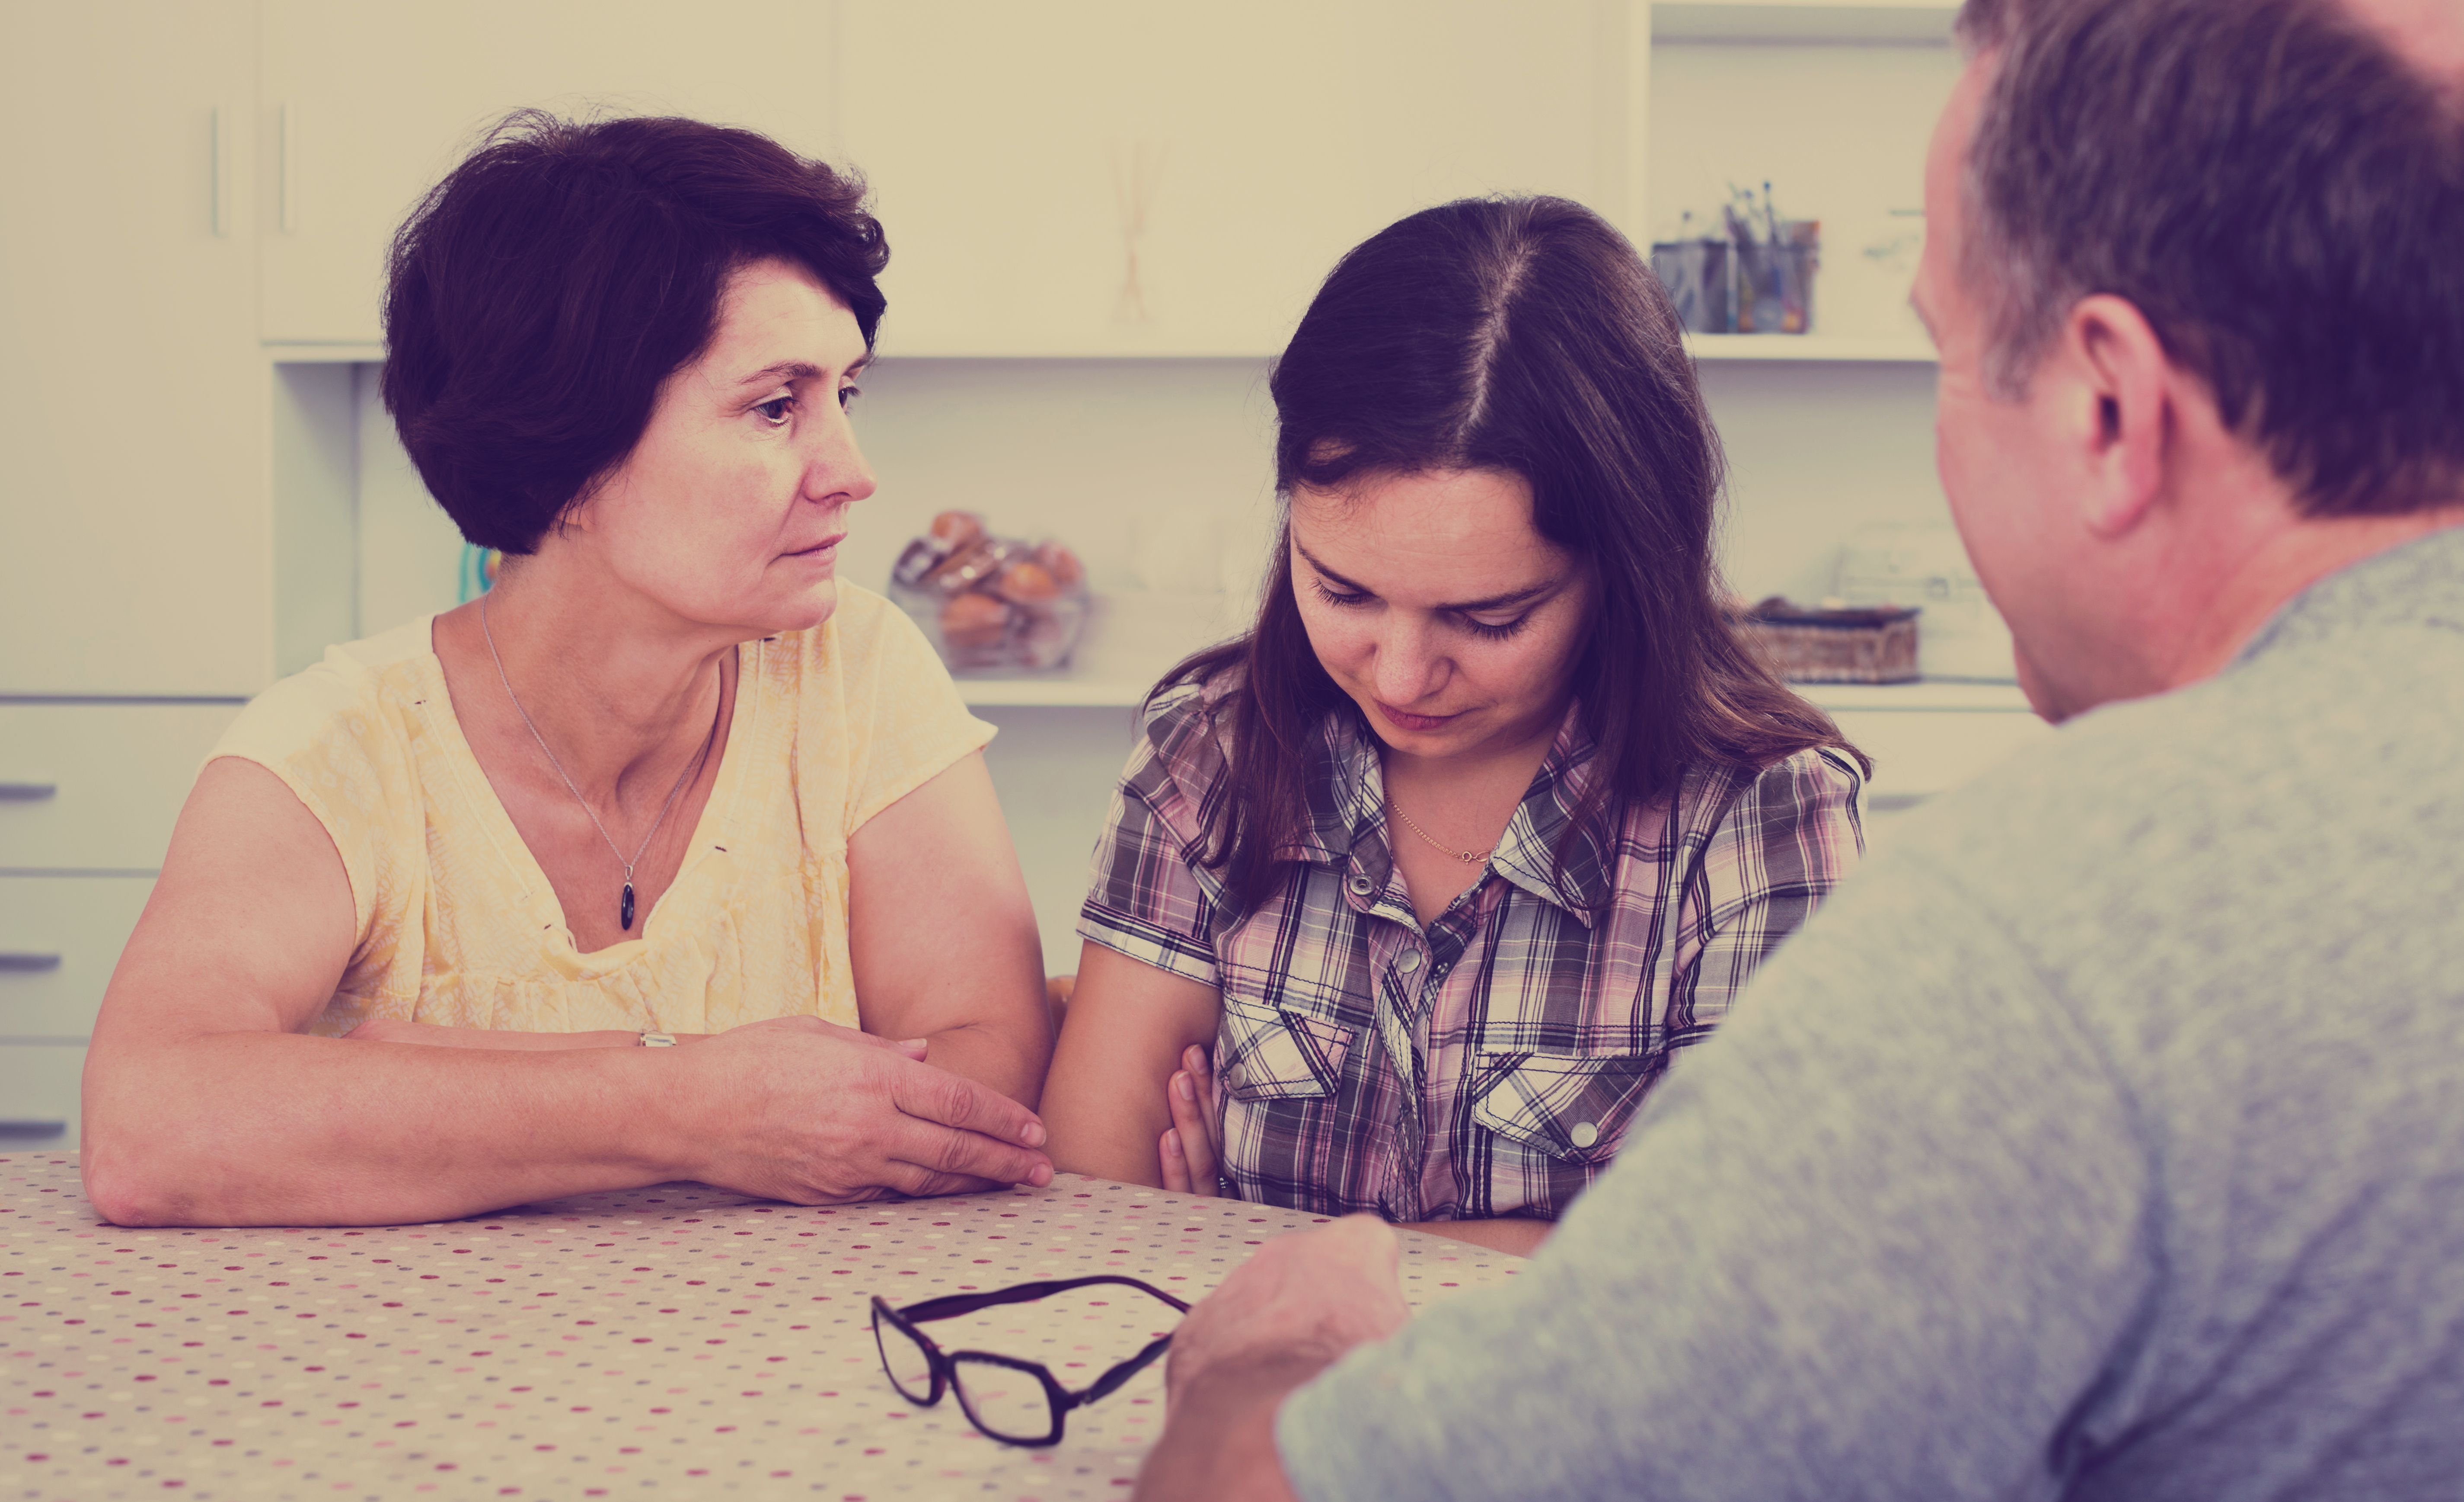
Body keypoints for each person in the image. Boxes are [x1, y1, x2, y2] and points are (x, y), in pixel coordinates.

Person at [1134, 0, 2464, 1495]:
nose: (1403, 663)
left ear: (2109, 405)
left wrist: (1263, 1353)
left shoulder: (2043, 924)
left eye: (1945, 353)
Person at [78, 114, 1055, 1228]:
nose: (853, 471)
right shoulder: (335, 749)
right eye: (776, 406)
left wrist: (458, 1075)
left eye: (848, 396)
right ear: (569, 452)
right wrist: (692, 1103)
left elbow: (988, 1072)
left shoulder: (856, 669)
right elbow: (149, 1126)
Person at [1041, 197, 1867, 1255]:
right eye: (1342, 591)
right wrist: (1557, 1252)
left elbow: (1757, 1265)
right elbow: (1093, 1202)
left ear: (1628, 569)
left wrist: (1289, 1258)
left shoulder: (1762, 813)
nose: (1400, 674)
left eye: (1489, 619)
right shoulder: (1210, 752)